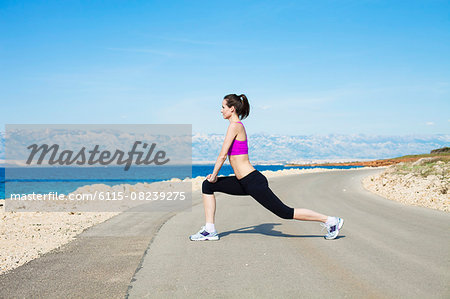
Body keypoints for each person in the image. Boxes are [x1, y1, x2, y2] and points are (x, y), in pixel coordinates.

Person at [189, 94, 344, 241]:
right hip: (243, 181)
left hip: (252, 181)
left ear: (232, 109)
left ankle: (331, 220)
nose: (221, 110)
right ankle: (210, 230)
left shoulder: (235, 126)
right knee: (207, 185)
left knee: (284, 212)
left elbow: (222, 155)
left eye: (223, 107)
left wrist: (215, 174)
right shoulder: (235, 126)